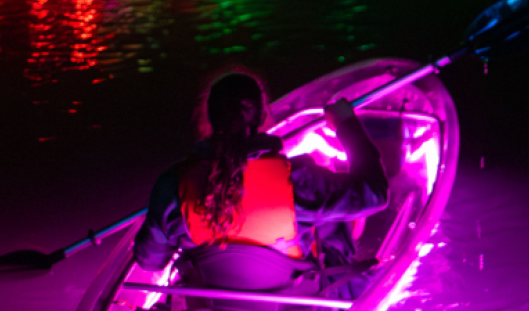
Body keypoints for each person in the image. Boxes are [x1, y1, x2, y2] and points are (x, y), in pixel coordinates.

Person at [133, 72, 392, 296]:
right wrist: (347, 126)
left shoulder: (172, 185)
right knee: (331, 221)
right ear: (263, 115)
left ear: (210, 118)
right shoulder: (299, 181)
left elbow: (150, 261)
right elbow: (375, 193)